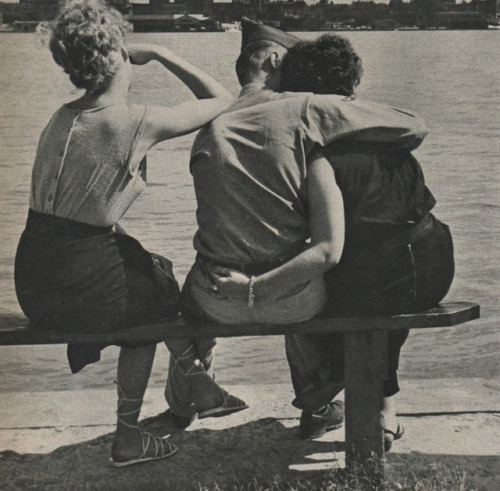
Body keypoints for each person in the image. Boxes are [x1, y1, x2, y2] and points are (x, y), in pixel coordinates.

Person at [165, 18, 429, 439]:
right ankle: (316, 404)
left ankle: (183, 405)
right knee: (314, 274)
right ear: (273, 59)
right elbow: (412, 125)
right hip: (293, 300)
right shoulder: (303, 108)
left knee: (183, 289)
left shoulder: (210, 118)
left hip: (216, 298)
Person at [14, 0, 246, 468]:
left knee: (152, 271)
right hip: (78, 281)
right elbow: (224, 100)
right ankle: (130, 435)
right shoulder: (135, 121)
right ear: (118, 53)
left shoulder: (60, 119)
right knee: (153, 304)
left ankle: (198, 383)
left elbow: (79, 218)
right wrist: (160, 52)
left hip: (33, 279)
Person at [277, 34, 455, 450]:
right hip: (432, 267)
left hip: (379, 279)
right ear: (351, 87)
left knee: (297, 286)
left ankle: (318, 398)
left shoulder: (316, 154)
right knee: (378, 280)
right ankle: (384, 409)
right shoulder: (393, 135)